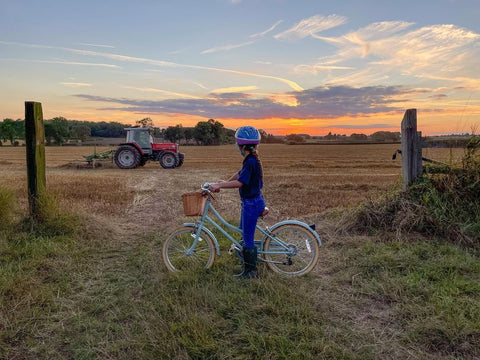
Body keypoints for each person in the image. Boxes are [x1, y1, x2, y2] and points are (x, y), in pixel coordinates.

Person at [210, 126, 266, 279]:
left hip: (252, 204)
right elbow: (240, 174)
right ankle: (246, 260)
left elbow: (240, 183)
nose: (236, 147)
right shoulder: (250, 160)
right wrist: (225, 181)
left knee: (247, 238)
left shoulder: (251, 162)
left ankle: (251, 272)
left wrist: (220, 185)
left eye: (236, 144)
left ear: (241, 146)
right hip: (251, 202)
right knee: (243, 232)